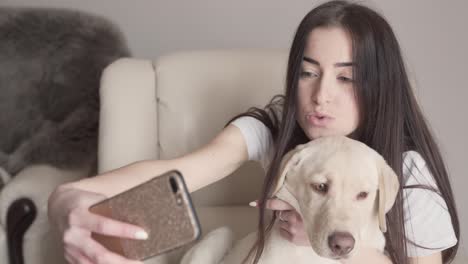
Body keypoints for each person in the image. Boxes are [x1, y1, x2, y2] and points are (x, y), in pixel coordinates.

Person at [47, 1, 460, 263]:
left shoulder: (407, 174)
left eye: (346, 79)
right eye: (308, 73)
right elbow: (177, 171)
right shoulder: (276, 133)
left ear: (379, 86)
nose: (321, 96)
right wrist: (68, 201)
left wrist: (334, 241)